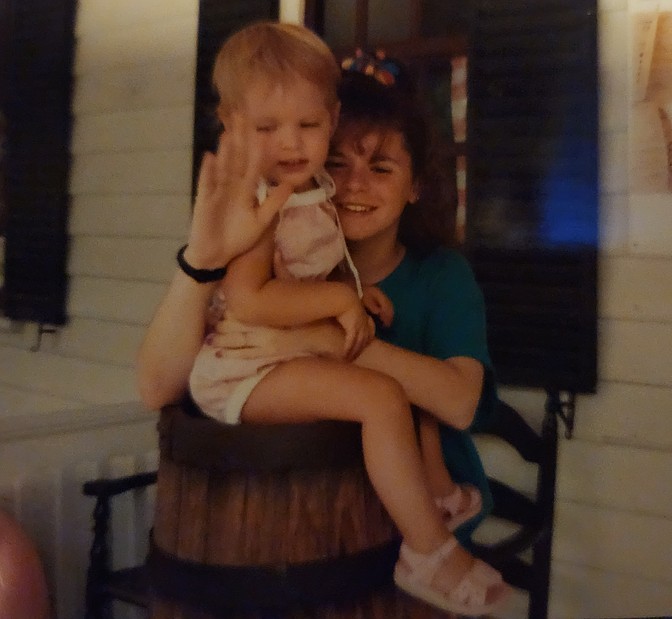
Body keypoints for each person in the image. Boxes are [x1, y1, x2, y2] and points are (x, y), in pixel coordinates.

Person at [137, 21, 509, 617]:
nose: (354, 183)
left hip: (383, 537)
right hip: (287, 532)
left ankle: (436, 522)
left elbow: (459, 403)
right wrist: (201, 263)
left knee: (395, 402)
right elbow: (160, 383)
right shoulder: (268, 218)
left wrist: (322, 332)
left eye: (382, 167)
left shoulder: (438, 276)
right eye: (339, 164)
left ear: (416, 185)